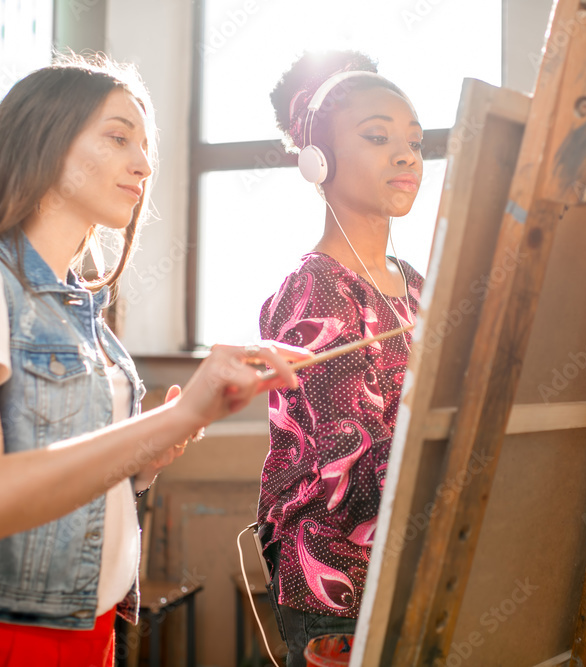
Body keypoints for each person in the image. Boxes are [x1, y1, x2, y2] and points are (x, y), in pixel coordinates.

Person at [0, 56, 307, 666]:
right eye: (119, 137)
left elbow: (68, 470)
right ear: (39, 141)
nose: (144, 165)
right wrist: (174, 418)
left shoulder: (83, 308)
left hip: (92, 639)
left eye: (145, 147)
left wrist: (147, 455)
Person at [256, 51, 425, 665]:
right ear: (317, 161)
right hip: (337, 585)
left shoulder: (417, 284)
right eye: (378, 138)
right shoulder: (317, 291)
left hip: (412, 570)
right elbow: (349, 470)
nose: (406, 156)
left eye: (415, 141)